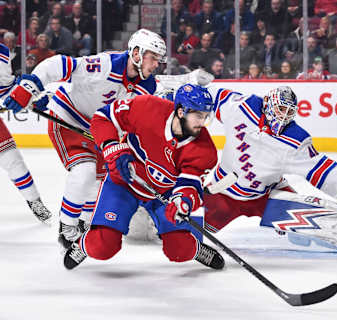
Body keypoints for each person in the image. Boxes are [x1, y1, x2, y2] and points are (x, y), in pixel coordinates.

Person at [3, 29, 213, 254]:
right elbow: (61, 64)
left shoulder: (147, 85)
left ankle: (85, 222)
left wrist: (188, 82)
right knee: (84, 172)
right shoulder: (106, 65)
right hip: (69, 118)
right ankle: (67, 228)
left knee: (103, 182)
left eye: (158, 60)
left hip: (102, 129)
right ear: (136, 53)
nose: (155, 65)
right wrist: (32, 84)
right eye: (152, 58)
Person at [195, 85, 337, 255]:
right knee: (186, 230)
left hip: (267, 195)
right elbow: (209, 96)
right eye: (281, 109)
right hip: (223, 193)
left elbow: (322, 170)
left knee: (312, 216)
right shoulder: (241, 107)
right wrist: (180, 91)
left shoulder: (295, 140)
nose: (284, 117)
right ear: (268, 105)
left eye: (289, 112)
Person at [63, 84, 225, 271]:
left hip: (164, 194)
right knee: (102, 246)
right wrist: (111, 146)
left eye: (205, 116)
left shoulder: (205, 150)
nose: (202, 122)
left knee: (180, 250)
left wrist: (183, 202)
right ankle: (83, 244)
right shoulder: (147, 107)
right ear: (181, 112)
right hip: (124, 182)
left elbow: (190, 184)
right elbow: (103, 117)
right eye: (198, 115)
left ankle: (196, 250)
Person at [0, 43, 52, 224]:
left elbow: (6, 89)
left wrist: (30, 97)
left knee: (14, 162)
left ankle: (34, 201)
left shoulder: (1, 52)